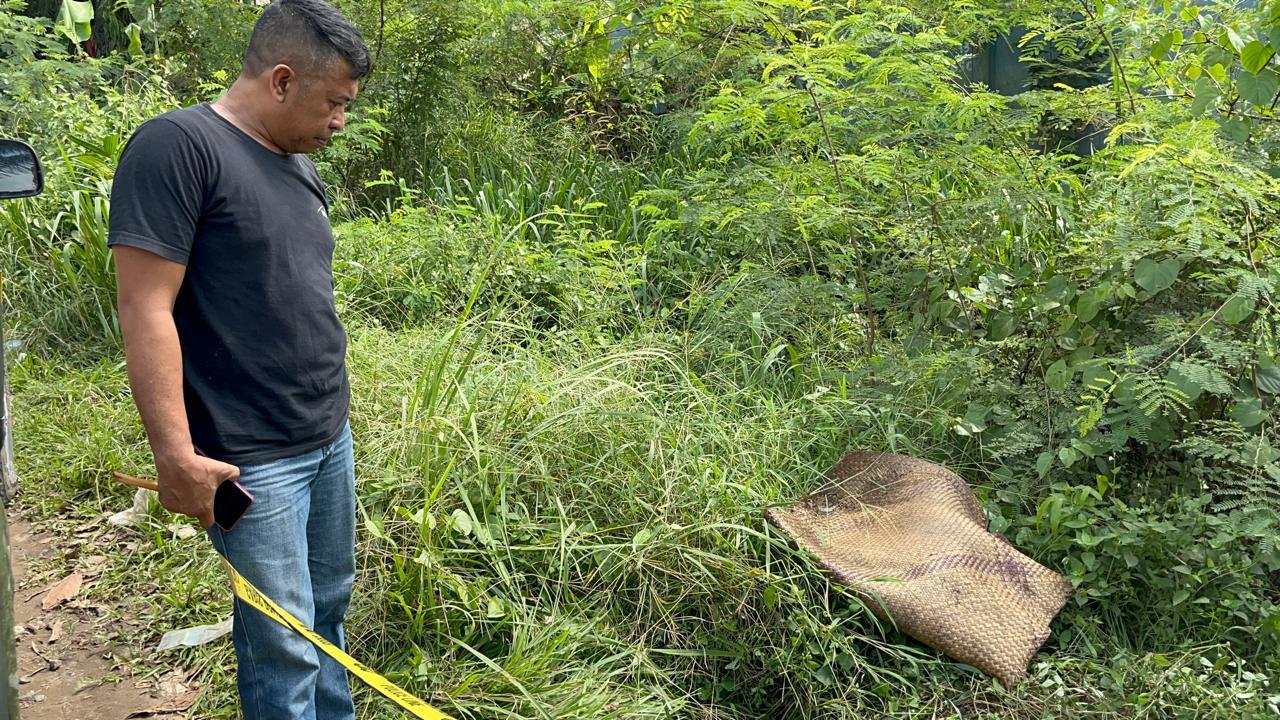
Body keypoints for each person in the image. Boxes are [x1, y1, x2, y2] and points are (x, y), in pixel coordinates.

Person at [107, 2, 370, 717]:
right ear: (282, 80)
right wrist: (175, 455)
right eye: (335, 102)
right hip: (251, 457)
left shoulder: (294, 164)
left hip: (324, 437)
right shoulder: (177, 147)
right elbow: (145, 308)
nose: (340, 121)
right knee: (282, 642)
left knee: (328, 613)